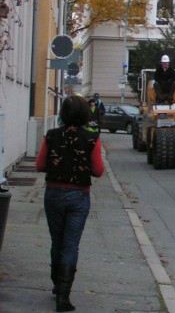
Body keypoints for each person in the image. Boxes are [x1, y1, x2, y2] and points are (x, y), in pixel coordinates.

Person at [36, 95, 105, 311]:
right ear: (85, 115)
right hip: (78, 197)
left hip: (53, 194)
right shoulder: (91, 139)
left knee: (57, 241)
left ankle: (57, 286)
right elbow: (98, 171)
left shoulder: (51, 136)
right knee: (71, 244)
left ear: (63, 114)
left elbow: (39, 165)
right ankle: (63, 298)